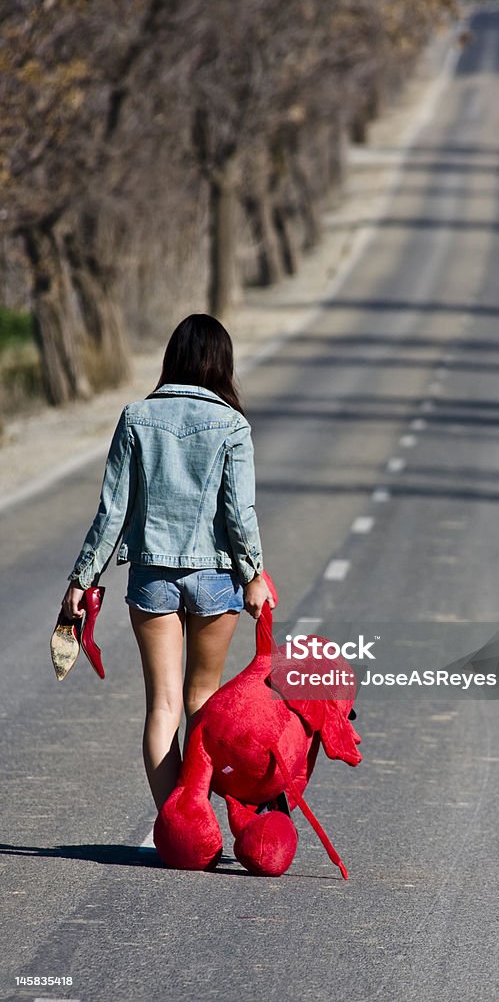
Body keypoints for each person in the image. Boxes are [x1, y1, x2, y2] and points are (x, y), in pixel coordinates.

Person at [61, 314, 274, 810]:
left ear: (171, 359)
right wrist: (254, 575)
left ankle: (179, 824)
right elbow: (239, 515)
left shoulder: (137, 417)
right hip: (216, 579)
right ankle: (201, 819)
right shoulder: (232, 425)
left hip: (151, 577)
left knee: (162, 706)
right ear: (222, 364)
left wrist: (82, 578)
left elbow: (113, 509)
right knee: (203, 701)